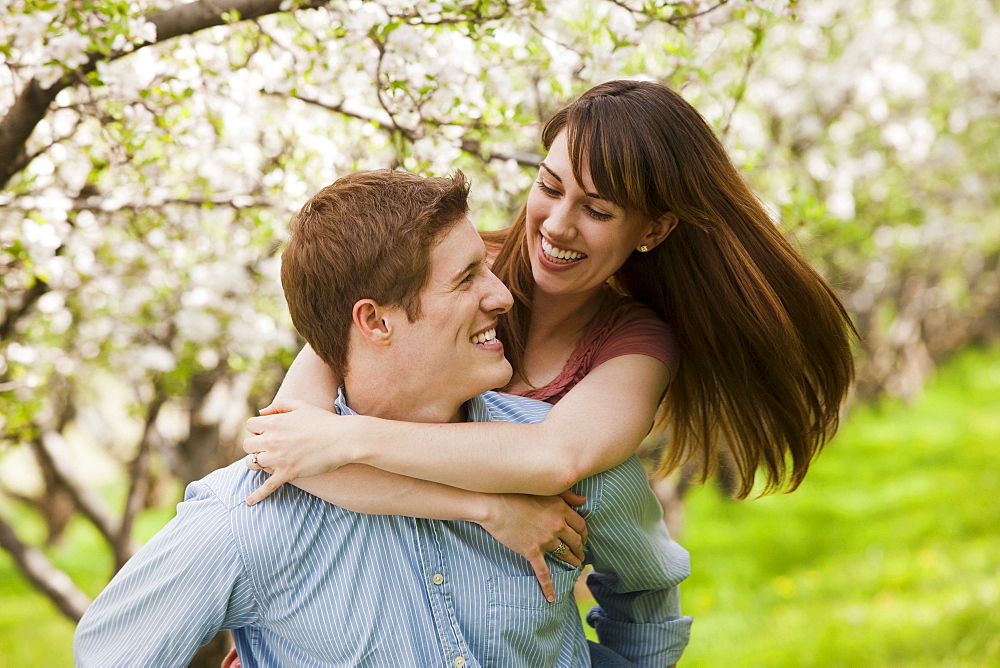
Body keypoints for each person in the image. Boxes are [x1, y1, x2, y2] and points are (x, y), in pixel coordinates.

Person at [74, 169, 691, 667]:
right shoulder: (250, 521)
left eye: (488, 268)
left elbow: (648, 606)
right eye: (467, 279)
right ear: (374, 322)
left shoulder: (567, 468)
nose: (504, 295)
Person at [242, 80, 855, 523]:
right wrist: (482, 507)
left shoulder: (634, 346)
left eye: (596, 209)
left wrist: (350, 440)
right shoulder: (440, 273)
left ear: (653, 230)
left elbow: (554, 456)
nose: (557, 225)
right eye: (549, 186)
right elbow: (286, 445)